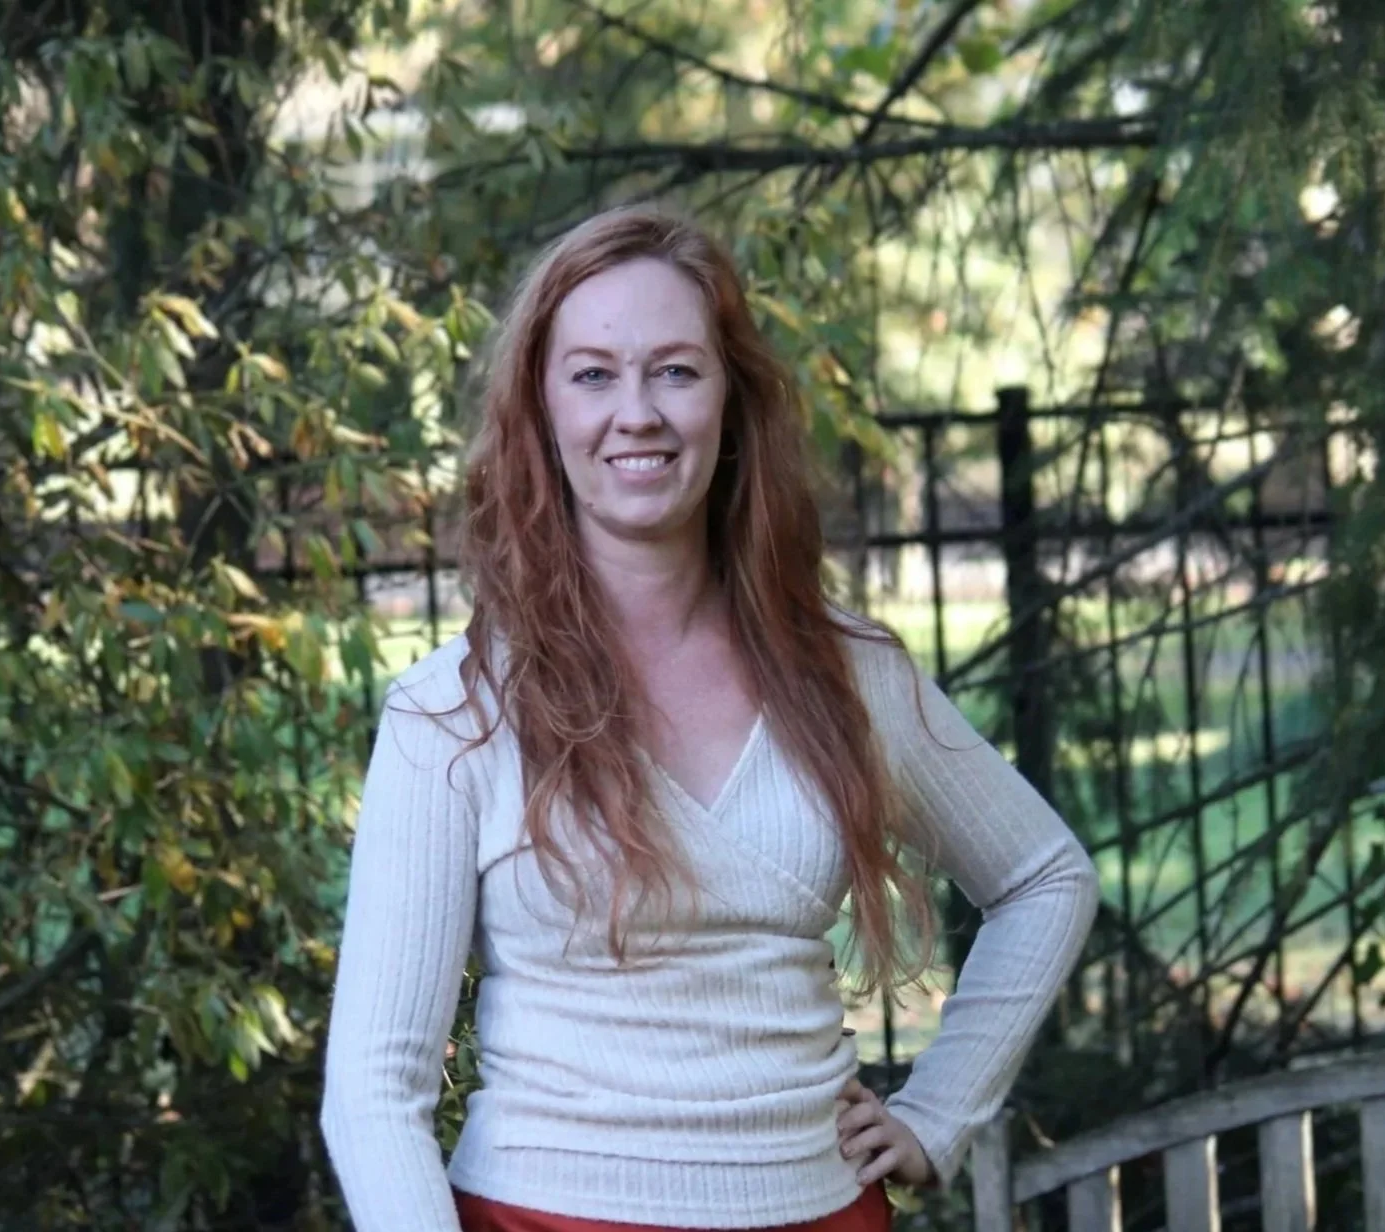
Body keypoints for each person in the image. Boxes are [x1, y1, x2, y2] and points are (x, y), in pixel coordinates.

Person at [320, 205, 1099, 1232]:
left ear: (730, 400)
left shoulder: (843, 671)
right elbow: (375, 1090)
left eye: (675, 370)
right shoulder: (454, 712)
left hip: (820, 1210)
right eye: (592, 373)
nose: (634, 411)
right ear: (540, 409)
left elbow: (1046, 876)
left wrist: (938, 1108)